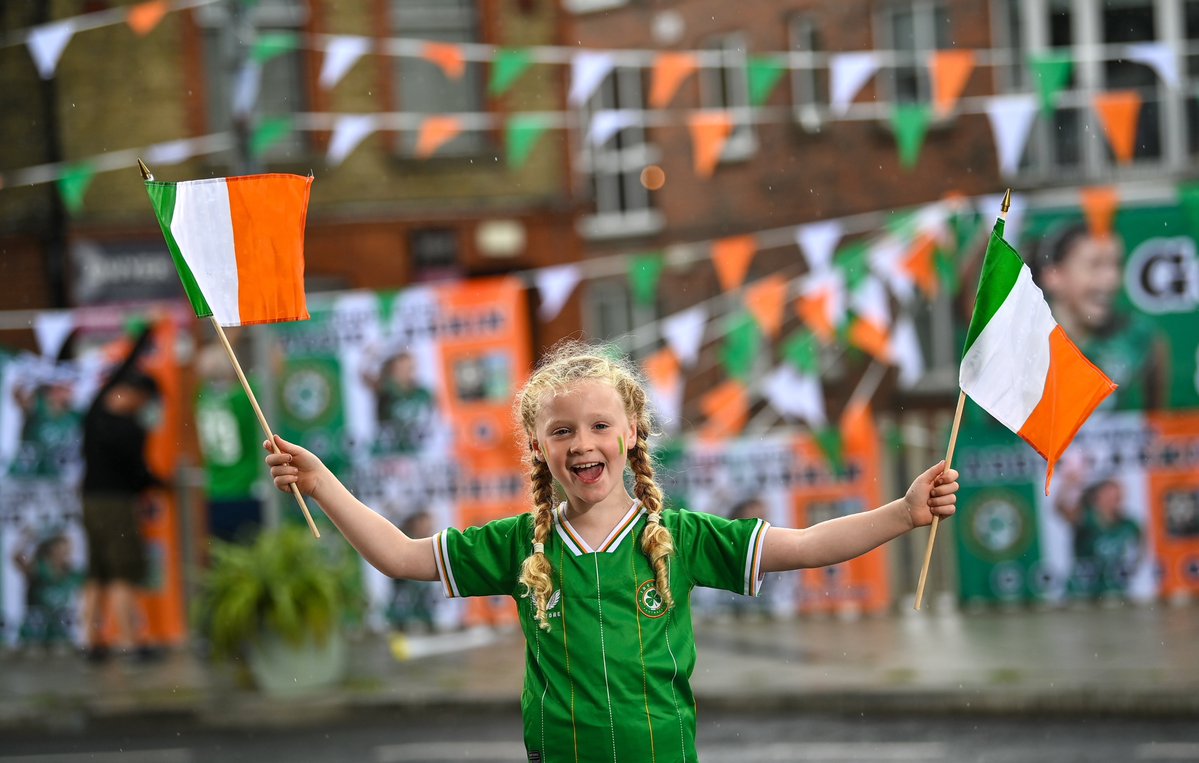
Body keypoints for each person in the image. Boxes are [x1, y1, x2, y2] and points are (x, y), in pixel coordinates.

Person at [265, 340, 959, 761]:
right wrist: (322, 481)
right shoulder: (518, 543)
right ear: (539, 446)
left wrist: (902, 512)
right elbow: (403, 556)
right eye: (561, 430)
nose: (581, 442)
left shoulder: (679, 536)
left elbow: (806, 544)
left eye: (599, 424)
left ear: (631, 432)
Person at [80, 326, 164, 662]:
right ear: (139, 397)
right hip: (116, 504)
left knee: (97, 573)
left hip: (89, 500)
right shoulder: (131, 429)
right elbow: (140, 476)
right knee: (121, 574)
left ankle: (90, 643)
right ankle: (129, 644)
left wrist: (143, 337)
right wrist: (161, 484)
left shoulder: (97, 410)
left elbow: (120, 371)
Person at [1031, 222, 1170, 411]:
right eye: (1095, 265)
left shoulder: (1137, 336)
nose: (1112, 279)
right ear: (1053, 276)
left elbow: (1156, 423)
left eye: (1116, 264)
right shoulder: (1024, 340)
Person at [11, 527, 83, 652]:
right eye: (62, 550)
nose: (66, 554)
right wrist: (27, 539)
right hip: (33, 636)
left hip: (59, 637)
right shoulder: (38, 569)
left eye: (68, 550)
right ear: (51, 550)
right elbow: (17, 558)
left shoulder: (73, 574)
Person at [362, 351, 437, 455]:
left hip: (418, 451)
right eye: (401, 368)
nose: (406, 372)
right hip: (389, 452)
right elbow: (365, 377)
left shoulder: (423, 393)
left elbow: (435, 420)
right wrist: (370, 357)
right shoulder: (386, 389)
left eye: (409, 367)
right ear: (393, 370)